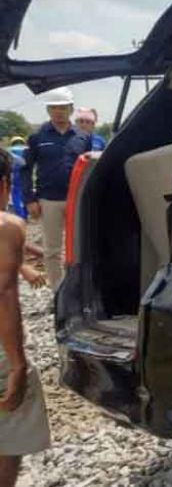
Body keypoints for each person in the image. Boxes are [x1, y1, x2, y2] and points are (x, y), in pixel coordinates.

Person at [0, 149, 52, 487]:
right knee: (10, 423)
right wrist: (17, 366)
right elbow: (3, 298)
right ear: (4, 185)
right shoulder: (7, 227)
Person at [21, 87, 91, 289]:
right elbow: (26, 169)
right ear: (48, 110)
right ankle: (58, 292)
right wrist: (30, 199)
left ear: (71, 109)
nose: (57, 111)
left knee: (79, 246)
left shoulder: (82, 137)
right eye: (53, 108)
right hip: (49, 200)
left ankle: (79, 289)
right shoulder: (37, 137)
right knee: (52, 250)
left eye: (62, 107)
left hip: (77, 200)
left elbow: (89, 167)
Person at [6, 139, 26, 219]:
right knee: (25, 193)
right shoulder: (27, 149)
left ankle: (19, 214)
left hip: (14, 173)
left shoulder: (9, 150)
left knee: (16, 194)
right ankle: (25, 213)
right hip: (25, 173)